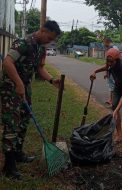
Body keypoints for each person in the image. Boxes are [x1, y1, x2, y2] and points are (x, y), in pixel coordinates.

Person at [0, 20, 61, 180]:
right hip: (11, 88)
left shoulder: (40, 48)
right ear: (42, 30)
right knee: (12, 123)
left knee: (24, 120)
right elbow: (7, 62)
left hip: (24, 87)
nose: (50, 42)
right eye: (49, 38)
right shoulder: (23, 43)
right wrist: (18, 83)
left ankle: (18, 153)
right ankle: (9, 165)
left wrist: (51, 80)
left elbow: (39, 68)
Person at [90, 48, 122, 143]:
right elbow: (105, 67)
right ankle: (119, 134)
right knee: (114, 106)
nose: (109, 64)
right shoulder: (110, 63)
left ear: (117, 60)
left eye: (111, 62)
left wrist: (117, 109)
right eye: (107, 61)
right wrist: (95, 71)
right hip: (118, 87)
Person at [103, 37, 117, 107]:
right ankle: (111, 100)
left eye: (104, 42)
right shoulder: (108, 49)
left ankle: (114, 102)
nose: (103, 44)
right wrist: (106, 72)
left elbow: (115, 61)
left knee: (114, 86)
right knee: (111, 86)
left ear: (107, 42)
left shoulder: (114, 49)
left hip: (115, 71)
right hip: (110, 71)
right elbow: (107, 63)